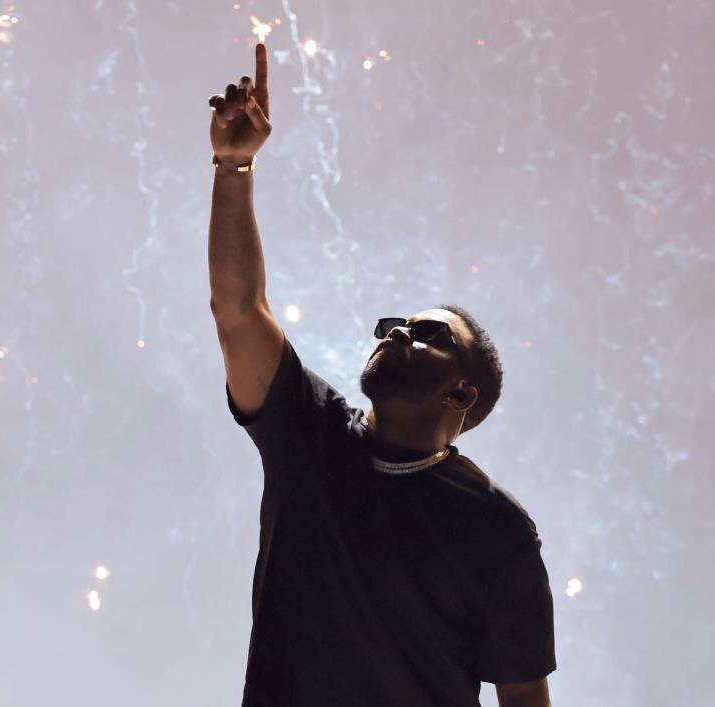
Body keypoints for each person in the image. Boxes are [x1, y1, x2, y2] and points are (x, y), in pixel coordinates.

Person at [207, 43, 556, 707]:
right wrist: (233, 165)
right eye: (394, 322)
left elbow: (523, 699)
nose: (397, 330)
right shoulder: (307, 432)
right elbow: (238, 309)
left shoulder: (497, 531)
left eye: (428, 335)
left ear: (462, 392)